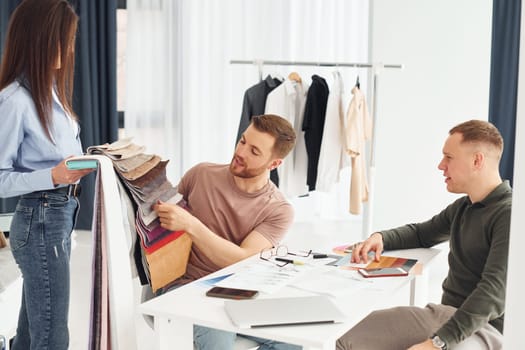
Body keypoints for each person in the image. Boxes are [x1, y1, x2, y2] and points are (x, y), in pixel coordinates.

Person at [336, 119, 511, 350]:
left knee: (346, 337)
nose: (441, 165)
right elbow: (421, 233)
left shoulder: (509, 216)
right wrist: (380, 237)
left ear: (477, 160)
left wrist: (438, 342)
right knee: (347, 335)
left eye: (449, 157)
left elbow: (493, 293)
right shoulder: (463, 207)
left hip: (481, 328)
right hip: (449, 318)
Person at [152, 114, 300, 350]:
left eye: (254, 151)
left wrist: (190, 224)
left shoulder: (278, 210)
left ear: (274, 164)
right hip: (186, 287)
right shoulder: (201, 175)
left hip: (240, 293)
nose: (241, 152)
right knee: (219, 344)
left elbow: (242, 259)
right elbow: (160, 221)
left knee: (296, 343)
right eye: (242, 142)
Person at [0, 1, 93, 349]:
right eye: (63, 39)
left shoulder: (50, 92)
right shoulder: (14, 101)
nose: (69, 49)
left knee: (34, 327)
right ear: (40, 39)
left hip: (59, 215)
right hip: (40, 217)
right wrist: (52, 176)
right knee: (53, 333)